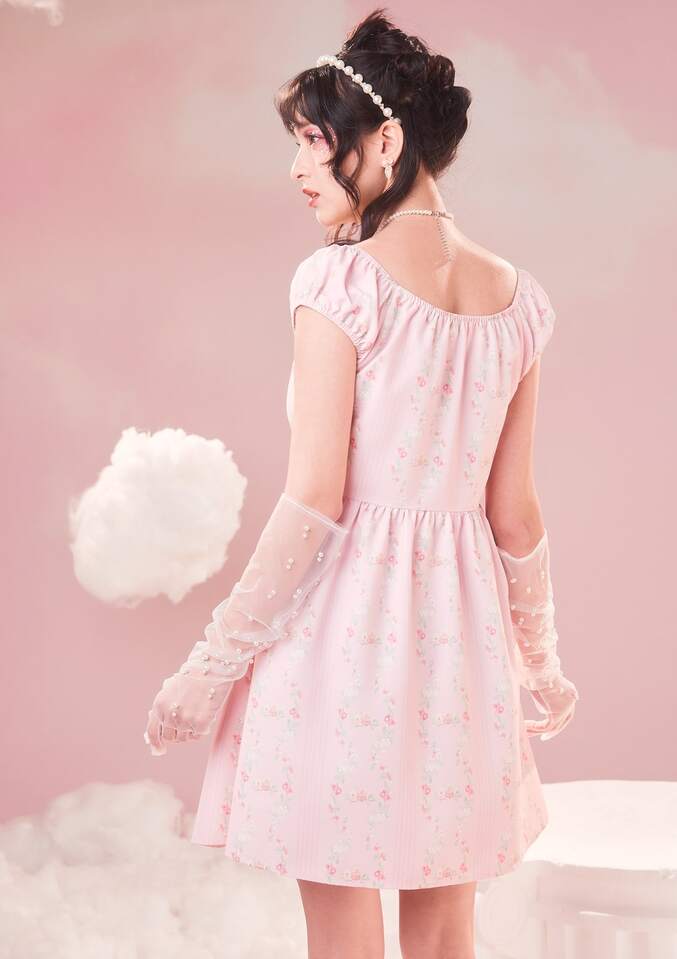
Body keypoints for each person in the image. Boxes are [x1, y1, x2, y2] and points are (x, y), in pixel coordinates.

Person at [145, 8, 579, 957]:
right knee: (446, 926)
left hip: (342, 636)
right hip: (462, 641)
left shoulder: (340, 285)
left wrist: (210, 667)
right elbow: (514, 513)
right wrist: (538, 661)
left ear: (385, 141)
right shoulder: (520, 304)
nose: (297, 169)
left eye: (315, 141)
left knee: (342, 923)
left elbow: (315, 499)